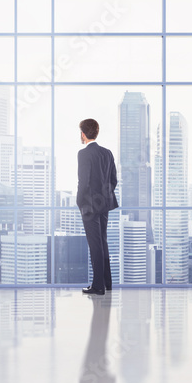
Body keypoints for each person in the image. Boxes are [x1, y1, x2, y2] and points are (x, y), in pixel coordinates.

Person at [76, 118, 119, 295]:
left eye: (80, 132)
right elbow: (113, 180)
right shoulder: (107, 153)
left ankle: (98, 286)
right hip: (104, 205)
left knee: (95, 245)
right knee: (102, 242)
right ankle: (107, 283)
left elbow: (83, 181)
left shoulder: (84, 154)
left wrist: (80, 202)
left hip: (90, 207)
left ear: (84, 134)